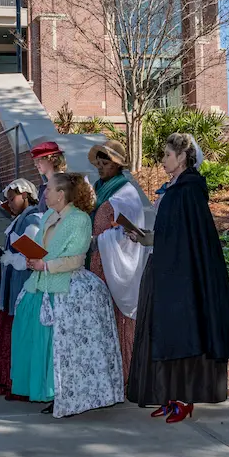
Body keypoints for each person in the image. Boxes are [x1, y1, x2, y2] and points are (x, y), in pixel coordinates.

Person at [127, 133, 229, 424]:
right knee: (163, 334)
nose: (163, 159)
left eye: (167, 155)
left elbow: (189, 239)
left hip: (182, 278)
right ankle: (168, 396)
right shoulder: (174, 190)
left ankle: (183, 399)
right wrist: (145, 239)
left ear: (181, 157)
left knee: (182, 335)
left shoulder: (189, 191)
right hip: (166, 271)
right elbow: (172, 234)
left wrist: (158, 241)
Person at [9, 171, 124, 417]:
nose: (44, 193)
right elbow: (42, 249)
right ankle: (51, 392)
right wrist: (33, 259)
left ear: (61, 195)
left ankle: (71, 395)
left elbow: (75, 258)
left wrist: (46, 265)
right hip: (42, 284)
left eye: (49, 189)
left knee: (64, 346)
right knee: (42, 342)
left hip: (67, 286)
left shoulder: (80, 220)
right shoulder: (49, 215)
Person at [86, 140, 151, 378]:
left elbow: (130, 233)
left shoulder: (126, 191)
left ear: (117, 166)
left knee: (116, 314)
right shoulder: (98, 187)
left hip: (112, 264)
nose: (101, 168)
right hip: (94, 263)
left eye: (106, 164)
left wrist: (101, 240)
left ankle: (123, 375)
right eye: (99, 163)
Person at [0, 179, 44, 400]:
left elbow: (29, 257)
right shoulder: (20, 219)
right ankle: (8, 381)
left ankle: (21, 385)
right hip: (13, 284)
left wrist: (7, 257)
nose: (9, 203)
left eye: (13, 198)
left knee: (23, 334)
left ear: (26, 195)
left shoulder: (33, 219)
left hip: (24, 286)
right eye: (8, 199)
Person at [27, 141, 67, 214]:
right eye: (35, 161)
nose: (36, 164)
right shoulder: (47, 185)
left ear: (52, 159)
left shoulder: (63, 183)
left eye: (39, 160)